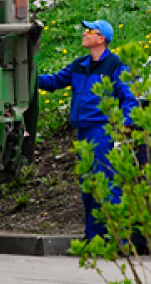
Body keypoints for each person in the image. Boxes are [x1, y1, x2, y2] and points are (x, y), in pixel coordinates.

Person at [38, 19, 137, 241]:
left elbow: (129, 97)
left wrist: (127, 122)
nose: (84, 34)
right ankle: (94, 239)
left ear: (101, 39)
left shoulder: (115, 66)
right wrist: (27, 77)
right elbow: (53, 81)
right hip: (83, 133)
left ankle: (117, 240)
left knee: (107, 185)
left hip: (102, 132)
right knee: (88, 186)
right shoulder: (79, 65)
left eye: (89, 31)